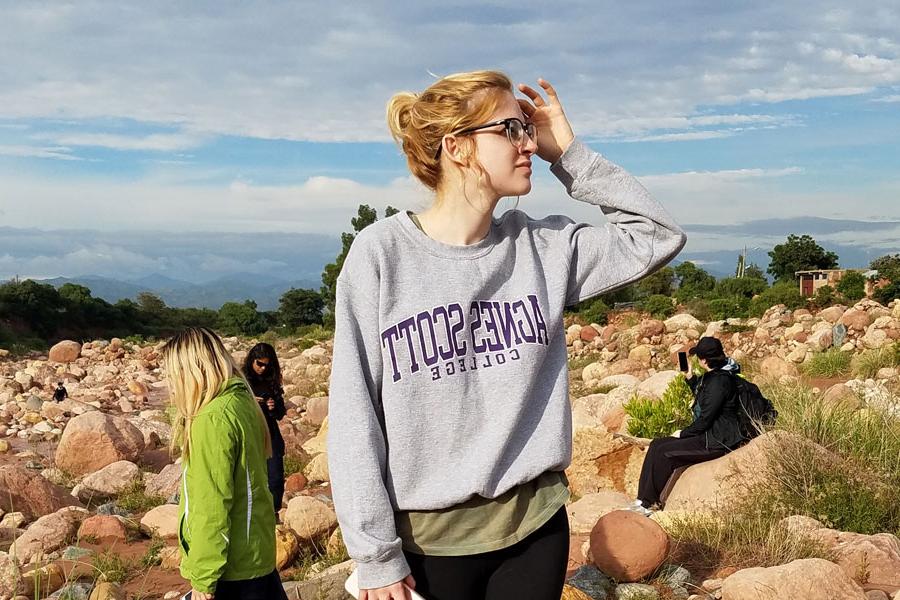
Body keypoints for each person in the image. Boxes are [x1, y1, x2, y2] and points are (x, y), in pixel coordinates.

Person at [327, 70, 686, 600]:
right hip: (428, 547)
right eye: (512, 130)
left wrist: (567, 152)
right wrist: (376, 556)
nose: (528, 143)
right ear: (457, 147)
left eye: (527, 129)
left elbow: (656, 236)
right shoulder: (381, 256)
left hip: (533, 531)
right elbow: (355, 413)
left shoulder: (544, 247)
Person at [161, 327, 286, 600]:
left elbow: (212, 506)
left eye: (173, 376)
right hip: (257, 556)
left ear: (191, 372)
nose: (172, 386)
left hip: (232, 571)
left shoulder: (213, 418)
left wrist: (203, 580)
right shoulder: (242, 401)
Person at [634, 336, 744, 514]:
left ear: (703, 360)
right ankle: (642, 500)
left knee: (665, 453)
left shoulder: (719, 381)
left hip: (718, 441)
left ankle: (649, 505)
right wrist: (690, 377)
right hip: (710, 435)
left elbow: (706, 418)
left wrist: (683, 433)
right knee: (656, 444)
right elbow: (706, 398)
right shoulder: (716, 376)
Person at [243, 343, 287, 514]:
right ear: (252, 361)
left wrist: (272, 406)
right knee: (250, 478)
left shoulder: (271, 380)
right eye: (259, 364)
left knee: (275, 477)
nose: (262, 368)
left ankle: (273, 514)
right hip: (249, 432)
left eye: (266, 365)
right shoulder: (242, 380)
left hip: (270, 433)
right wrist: (250, 401)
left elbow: (280, 413)